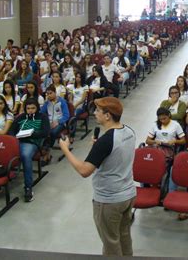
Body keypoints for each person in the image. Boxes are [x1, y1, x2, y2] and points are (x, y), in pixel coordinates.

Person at [59, 97, 136, 256]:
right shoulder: (129, 131)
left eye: (98, 111)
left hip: (109, 200)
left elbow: (84, 171)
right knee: (124, 236)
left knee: (111, 242)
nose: (94, 113)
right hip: (128, 194)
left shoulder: (106, 141)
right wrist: (99, 150)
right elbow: (116, 157)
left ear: (108, 115)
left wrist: (65, 149)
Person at [9, 98, 50, 202]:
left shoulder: (42, 117)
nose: (30, 110)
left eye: (33, 108)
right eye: (28, 108)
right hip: (18, 141)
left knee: (25, 155)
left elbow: (45, 132)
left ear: (37, 108)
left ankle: (28, 187)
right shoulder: (20, 117)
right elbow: (11, 131)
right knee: (4, 151)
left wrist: (31, 134)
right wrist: (15, 136)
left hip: (32, 142)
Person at [41, 85, 69, 157]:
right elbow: (41, 112)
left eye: (51, 93)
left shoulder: (62, 102)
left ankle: (48, 151)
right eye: (47, 94)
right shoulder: (47, 103)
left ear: (55, 92)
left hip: (61, 123)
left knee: (52, 133)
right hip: (50, 122)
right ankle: (44, 149)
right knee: (43, 131)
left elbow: (66, 115)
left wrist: (58, 122)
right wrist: (45, 103)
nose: (49, 96)